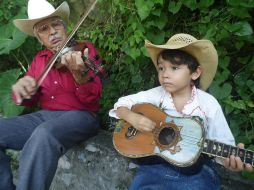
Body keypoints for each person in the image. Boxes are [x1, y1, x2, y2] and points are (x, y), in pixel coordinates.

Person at [109, 33, 253, 190]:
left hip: (196, 174)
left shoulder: (208, 104)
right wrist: (132, 117)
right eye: (161, 68)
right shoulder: (157, 95)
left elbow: (224, 146)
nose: (165, 74)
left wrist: (231, 162)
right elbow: (122, 104)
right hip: (154, 169)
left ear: (195, 73)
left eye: (174, 68)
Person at [0, 0, 102, 189]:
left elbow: (94, 97)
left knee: (44, 134)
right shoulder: (39, 60)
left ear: (65, 27)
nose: (52, 31)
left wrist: (80, 76)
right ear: (39, 38)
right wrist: (22, 88)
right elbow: (29, 98)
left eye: (55, 24)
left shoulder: (84, 50)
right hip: (44, 116)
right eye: (44, 29)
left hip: (81, 116)